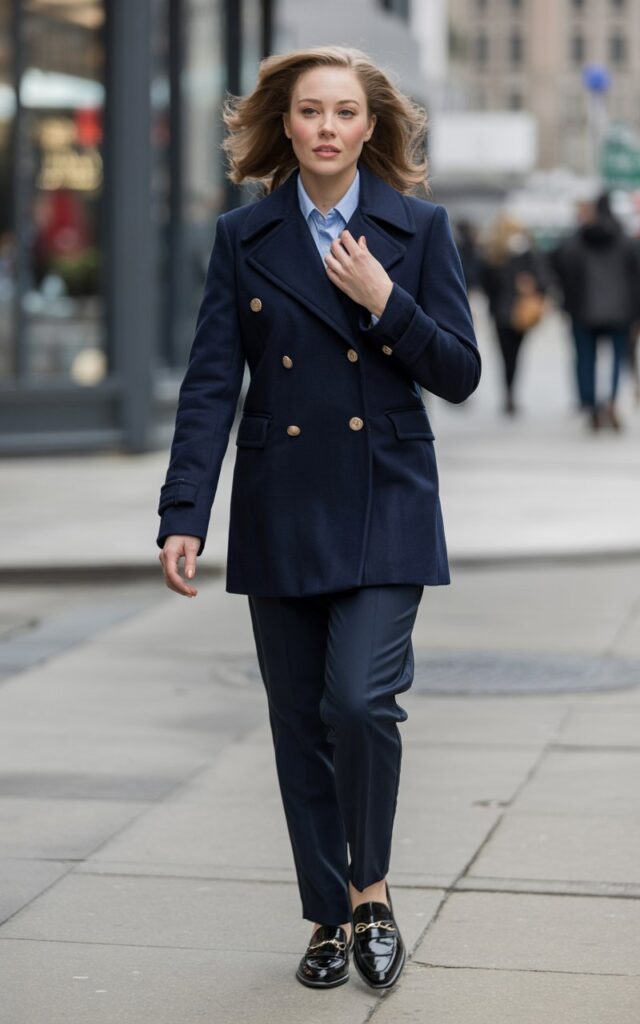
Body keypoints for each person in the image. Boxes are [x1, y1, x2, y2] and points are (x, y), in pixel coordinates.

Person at [156, 45, 481, 992]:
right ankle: (328, 916)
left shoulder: (417, 229)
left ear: (370, 128)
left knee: (358, 702)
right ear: (285, 125)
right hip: (282, 500)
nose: (328, 128)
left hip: (387, 497)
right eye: (310, 112)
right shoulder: (244, 235)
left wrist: (385, 302)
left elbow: (458, 372)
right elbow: (212, 381)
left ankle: (370, 890)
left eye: (345, 112)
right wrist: (186, 510)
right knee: (299, 721)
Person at [550, 191, 640, 430]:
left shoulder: (578, 240)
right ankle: (610, 399)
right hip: (620, 310)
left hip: (583, 308)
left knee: (585, 358)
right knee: (616, 359)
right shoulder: (625, 241)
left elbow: (560, 264)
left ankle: (590, 403)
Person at [479, 213, 549, 415]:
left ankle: (509, 392)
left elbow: (543, 279)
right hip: (505, 312)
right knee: (512, 355)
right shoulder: (496, 256)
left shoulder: (520, 255)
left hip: (512, 312)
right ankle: (510, 392)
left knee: (509, 355)